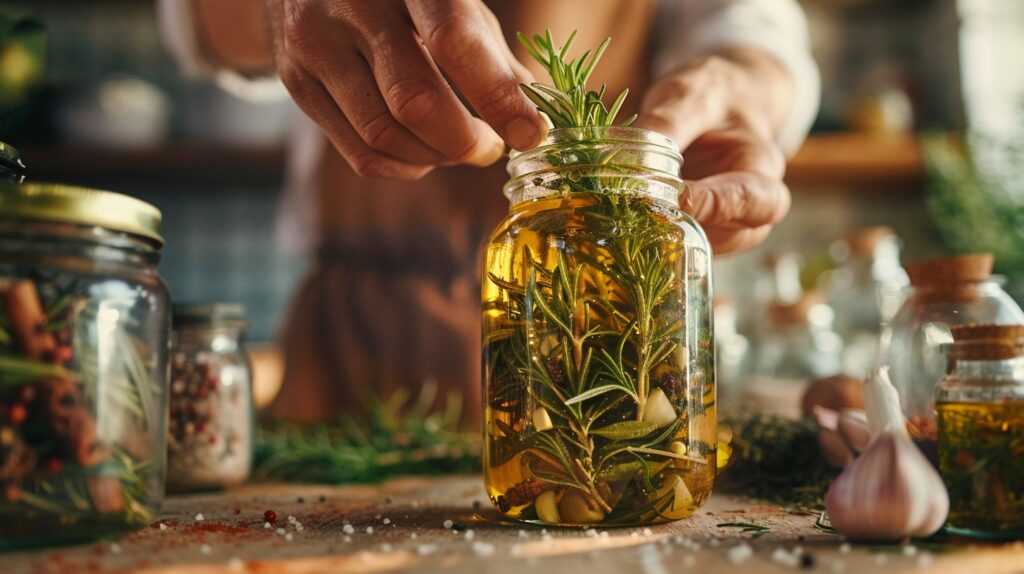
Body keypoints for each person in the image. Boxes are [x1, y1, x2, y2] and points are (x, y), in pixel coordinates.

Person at [158, 0, 820, 424]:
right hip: (356, 348)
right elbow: (191, 20)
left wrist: (744, 79)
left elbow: (752, 24)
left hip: (608, 336)